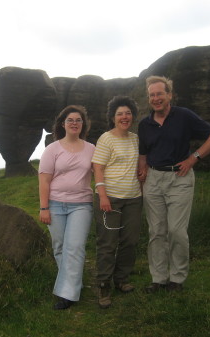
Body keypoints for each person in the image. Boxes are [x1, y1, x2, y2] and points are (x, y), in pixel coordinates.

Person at [138, 75, 210, 293]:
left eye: (160, 94)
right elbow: (143, 154)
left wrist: (194, 157)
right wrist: (143, 173)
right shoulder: (145, 124)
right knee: (156, 231)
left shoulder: (184, 116)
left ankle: (177, 278)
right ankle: (158, 279)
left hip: (179, 178)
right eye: (152, 95)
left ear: (169, 95)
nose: (156, 98)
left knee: (176, 230)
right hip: (153, 180)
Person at [38, 105, 95, 310]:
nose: (74, 123)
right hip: (55, 205)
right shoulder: (52, 149)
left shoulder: (91, 149)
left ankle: (67, 295)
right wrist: (44, 208)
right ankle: (73, 284)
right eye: (70, 120)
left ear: (83, 124)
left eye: (78, 120)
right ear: (63, 124)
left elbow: (102, 173)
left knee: (76, 247)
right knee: (60, 247)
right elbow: (44, 181)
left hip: (81, 205)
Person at [92, 95, 143, 309]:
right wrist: (102, 196)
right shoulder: (106, 138)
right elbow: (98, 168)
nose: (124, 117)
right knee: (107, 243)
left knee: (129, 241)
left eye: (128, 113)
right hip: (110, 198)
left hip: (133, 198)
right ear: (113, 117)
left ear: (132, 116)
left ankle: (121, 280)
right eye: (120, 114)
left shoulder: (135, 138)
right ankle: (103, 286)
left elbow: (141, 159)